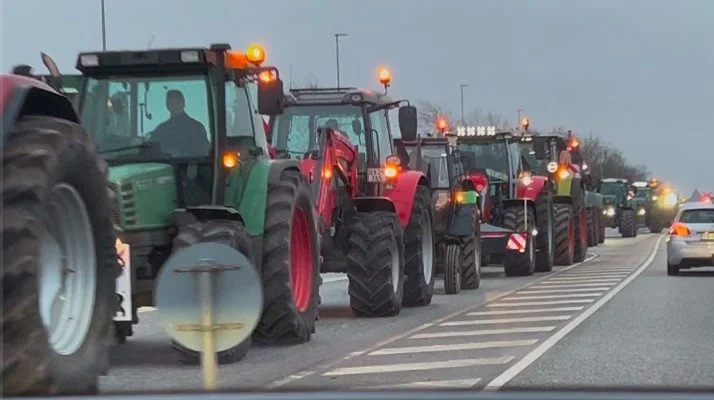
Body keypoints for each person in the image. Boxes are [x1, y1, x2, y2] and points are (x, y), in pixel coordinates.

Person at [149, 90, 210, 157]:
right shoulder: (161, 130)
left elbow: (204, 150)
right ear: (167, 106)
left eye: (177, 102)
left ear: (183, 103)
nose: (175, 105)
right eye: (172, 103)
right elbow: (151, 151)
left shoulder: (196, 127)